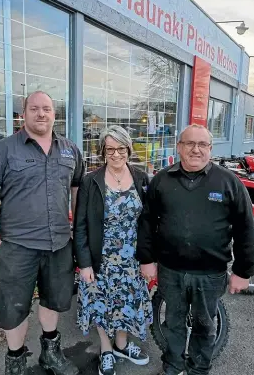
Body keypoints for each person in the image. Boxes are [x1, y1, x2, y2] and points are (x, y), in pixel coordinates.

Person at [0, 91, 85, 375]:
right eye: (34, 108)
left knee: (54, 300)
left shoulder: (70, 150)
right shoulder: (3, 150)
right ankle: (16, 362)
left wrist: (75, 228)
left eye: (47, 108)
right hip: (16, 247)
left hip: (59, 244)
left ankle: (50, 353)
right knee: (13, 310)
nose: (41, 114)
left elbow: (77, 189)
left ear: (54, 114)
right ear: (24, 113)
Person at [137, 124, 254, 375]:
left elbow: (246, 228)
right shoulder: (162, 179)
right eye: (189, 143)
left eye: (202, 144)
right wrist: (147, 259)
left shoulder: (229, 182)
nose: (196, 149)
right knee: (173, 324)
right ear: (179, 147)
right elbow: (147, 222)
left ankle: (199, 369)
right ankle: (173, 367)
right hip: (171, 270)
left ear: (210, 149)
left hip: (210, 273)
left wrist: (243, 271)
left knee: (205, 326)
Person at [73, 125, 153, 375]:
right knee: (99, 305)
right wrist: (84, 263)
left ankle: (121, 344)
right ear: (102, 152)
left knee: (126, 303)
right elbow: (81, 225)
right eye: (110, 149)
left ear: (128, 149)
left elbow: (149, 222)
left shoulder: (141, 178)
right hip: (100, 260)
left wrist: (150, 258)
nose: (116, 154)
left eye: (121, 148)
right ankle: (106, 349)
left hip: (132, 260)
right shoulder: (91, 181)